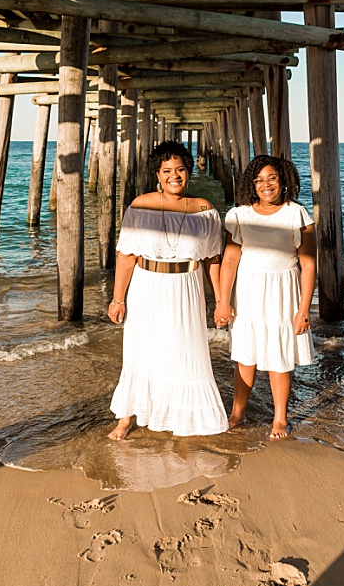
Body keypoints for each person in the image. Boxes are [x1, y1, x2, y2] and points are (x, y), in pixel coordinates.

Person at [107, 140, 228, 440]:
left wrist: (221, 301)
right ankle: (126, 418)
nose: (174, 176)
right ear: (157, 175)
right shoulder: (140, 205)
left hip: (187, 288)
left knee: (187, 353)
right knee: (140, 351)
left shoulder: (205, 210)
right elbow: (126, 256)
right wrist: (117, 298)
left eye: (180, 170)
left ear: (189, 172)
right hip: (147, 286)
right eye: (167, 171)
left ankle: (183, 418)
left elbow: (213, 259)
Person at [214, 155, 316, 440]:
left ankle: (280, 418)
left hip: (284, 292)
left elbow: (308, 264)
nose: (265, 185)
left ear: (283, 180)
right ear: (252, 184)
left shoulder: (297, 214)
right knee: (245, 356)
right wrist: (224, 301)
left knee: (279, 357)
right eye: (259, 180)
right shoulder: (240, 214)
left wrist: (304, 309)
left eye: (271, 178)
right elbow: (230, 260)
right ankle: (238, 413)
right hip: (248, 291)